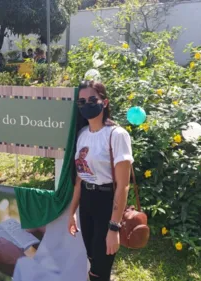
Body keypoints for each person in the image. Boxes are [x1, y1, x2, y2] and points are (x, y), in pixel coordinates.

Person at [68, 80, 134, 281]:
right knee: (92, 258)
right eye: (81, 101)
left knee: (99, 269)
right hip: (87, 202)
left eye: (91, 99)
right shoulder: (82, 134)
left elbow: (123, 186)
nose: (86, 104)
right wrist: (72, 213)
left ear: (104, 102)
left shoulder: (117, 135)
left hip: (106, 204)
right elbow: (80, 178)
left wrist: (114, 227)